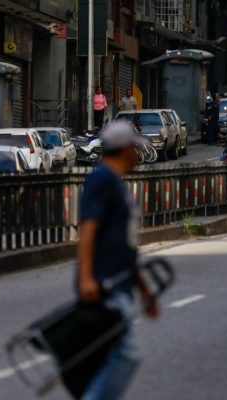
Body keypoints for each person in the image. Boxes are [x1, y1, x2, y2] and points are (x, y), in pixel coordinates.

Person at [78, 121, 159, 400]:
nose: (138, 155)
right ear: (125, 150)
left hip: (120, 281)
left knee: (108, 356)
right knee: (126, 355)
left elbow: (126, 246)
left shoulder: (116, 183)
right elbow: (88, 229)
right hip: (106, 284)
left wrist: (144, 290)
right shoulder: (102, 180)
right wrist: (87, 278)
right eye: (135, 149)